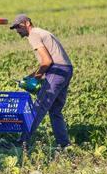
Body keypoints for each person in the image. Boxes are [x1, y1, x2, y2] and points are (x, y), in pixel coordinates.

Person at [10, 14, 73, 148]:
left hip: (56, 71)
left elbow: (47, 61)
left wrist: (36, 78)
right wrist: (31, 76)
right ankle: (64, 144)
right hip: (65, 69)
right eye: (15, 28)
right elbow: (46, 63)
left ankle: (22, 142)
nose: (18, 30)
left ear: (27, 23)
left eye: (19, 27)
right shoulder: (41, 32)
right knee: (55, 110)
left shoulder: (33, 35)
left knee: (38, 107)